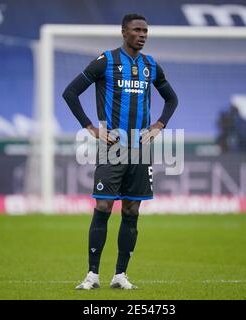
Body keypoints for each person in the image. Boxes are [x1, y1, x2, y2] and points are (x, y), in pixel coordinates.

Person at [63, 13, 178, 290]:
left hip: (140, 149)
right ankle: (92, 275)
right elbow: (70, 93)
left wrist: (160, 124)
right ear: (124, 32)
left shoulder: (151, 66)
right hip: (113, 148)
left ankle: (120, 275)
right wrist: (91, 127)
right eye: (137, 30)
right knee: (103, 205)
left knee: (132, 209)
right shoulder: (106, 61)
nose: (142, 34)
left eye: (145, 30)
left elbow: (172, 98)